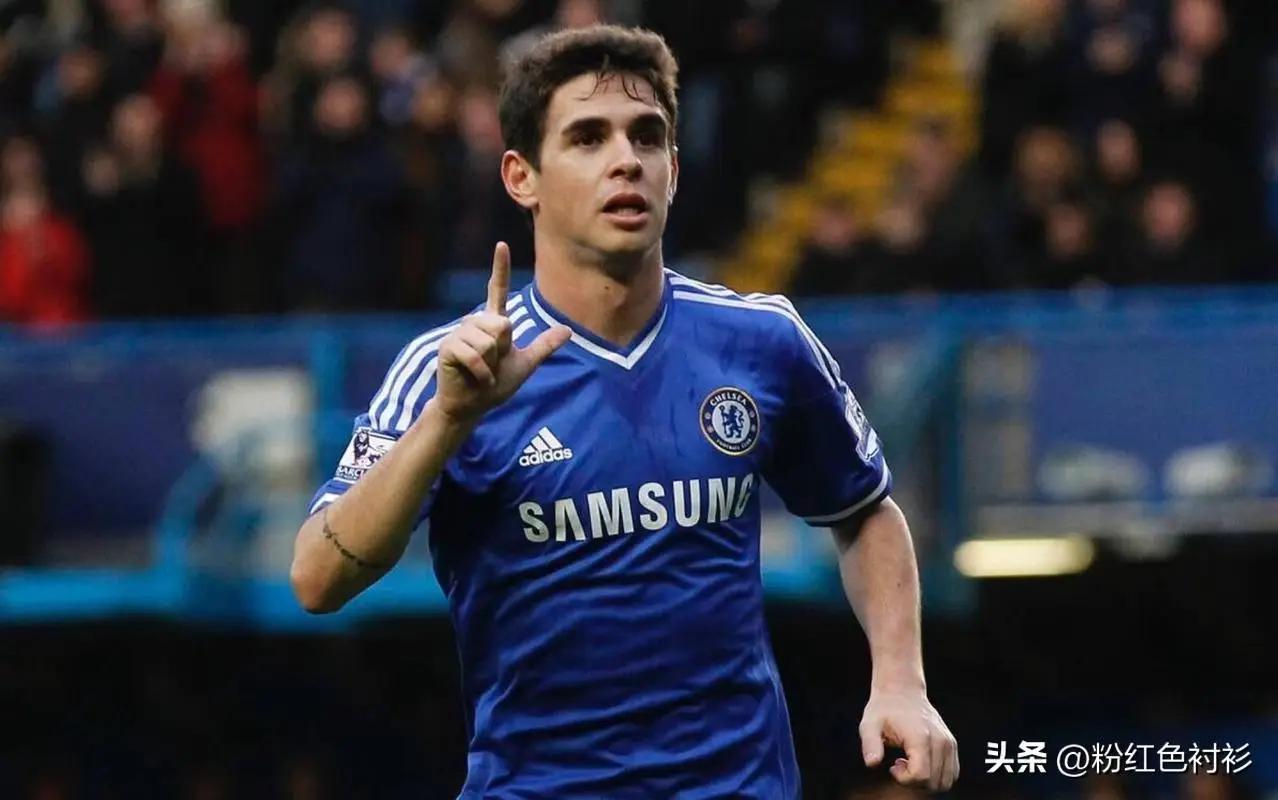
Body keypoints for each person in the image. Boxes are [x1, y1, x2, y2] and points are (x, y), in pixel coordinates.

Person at [290, 25, 958, 797]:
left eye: (647, 136)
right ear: (521, 177)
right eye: (587, 138)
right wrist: (447, 421)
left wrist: (901, 681)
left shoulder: (761, 341)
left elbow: (864, 511)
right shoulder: (450, 370)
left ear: (673, 168)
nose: (626, 160)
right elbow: (317, 579)